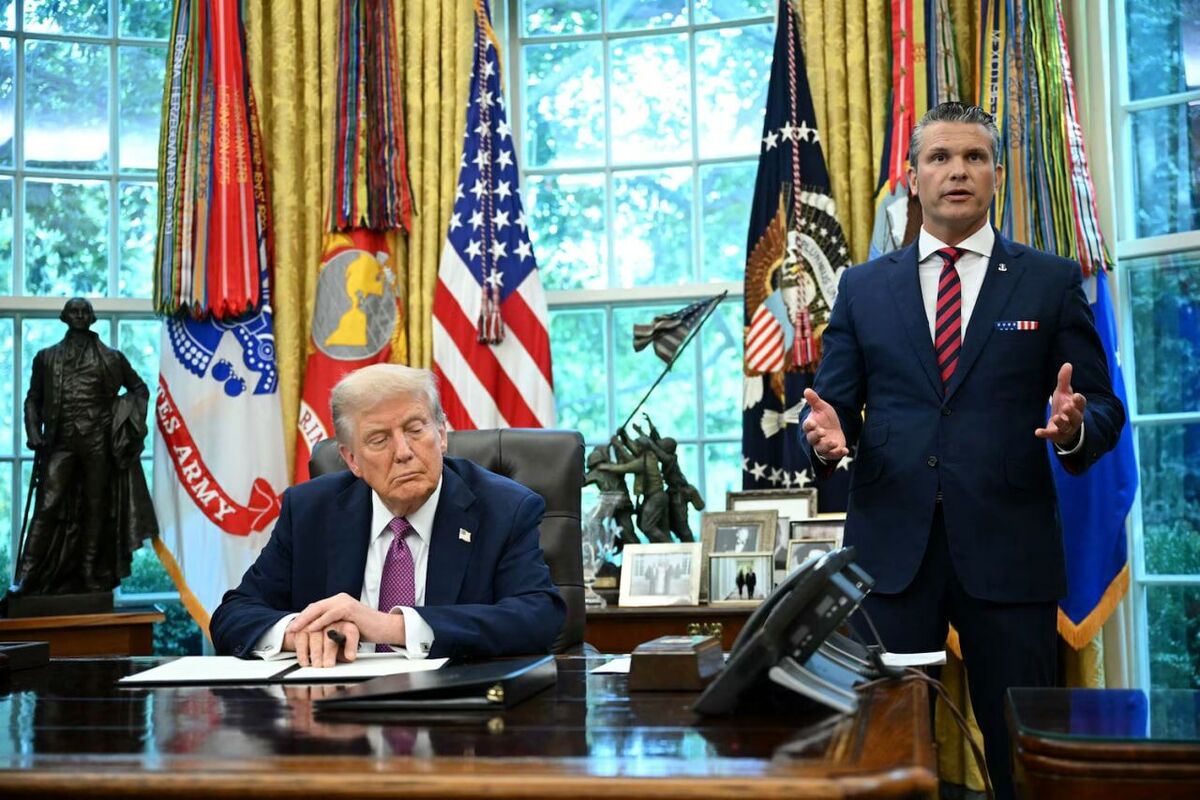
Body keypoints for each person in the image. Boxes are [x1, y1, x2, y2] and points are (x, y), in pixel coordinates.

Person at [799, 102, 1125, 800]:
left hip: (1010, 553)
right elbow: (833, 407)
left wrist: (1073, 427)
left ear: (996, 174)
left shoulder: (1048, 280)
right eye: (940, 157)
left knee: (1025, 762)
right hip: (891, 554)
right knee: (885, 756)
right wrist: (824, 439)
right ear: (913, 176)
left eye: (974, 157)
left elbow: (1102, 407)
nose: (958, 171)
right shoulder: (863, 286)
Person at [209, 364, 565, 667]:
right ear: (352, 460)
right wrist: (300, 633)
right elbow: (234, 615)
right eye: (379, 440)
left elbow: (539, 616)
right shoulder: (309, 511)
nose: (404, 452)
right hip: (335, 710)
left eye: (415, 429)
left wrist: (390, 627)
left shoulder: (504, 508)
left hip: (456, 709)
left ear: (441, 434)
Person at [12, 297, 155, 597]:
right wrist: (33, 432)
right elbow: (33, 399)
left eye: (84, 311)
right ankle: (27, 576)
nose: (79, 315)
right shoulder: (46, 357)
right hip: (60, 442)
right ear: (64, 317)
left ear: (92, 318)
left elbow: (139, 389)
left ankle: (90, 572)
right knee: (47, 505)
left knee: (96, 507)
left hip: (97, 442)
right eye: (74, 311)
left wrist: (120, 419)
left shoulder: (111, 358)